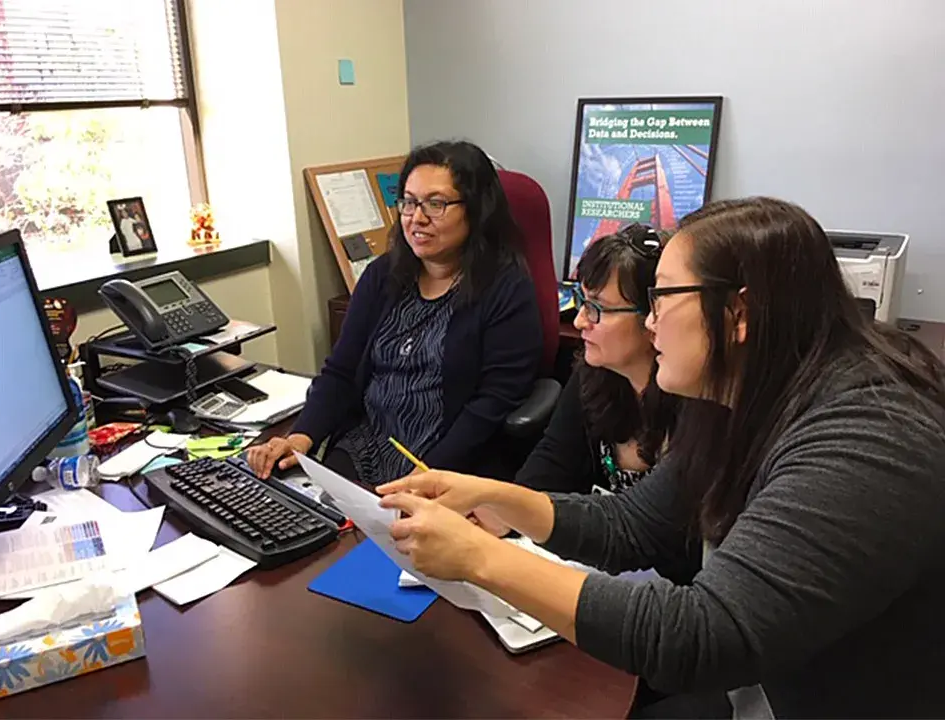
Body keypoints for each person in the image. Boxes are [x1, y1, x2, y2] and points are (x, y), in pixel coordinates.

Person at [377, 197, 945, 718]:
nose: (650, 322)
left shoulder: (869, 434)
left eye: (662, 298)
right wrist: (491, 495)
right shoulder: (738, 392)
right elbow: (632, 525)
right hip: (762, 690)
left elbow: (707, 636)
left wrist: (480, 559)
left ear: (738, 314)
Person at [248, 141, 542, 486]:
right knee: (300, 514)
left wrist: (427, 475)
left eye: (436, 204)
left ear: (476, 210)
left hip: (447, 461)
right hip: (365, 446)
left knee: (382, 536)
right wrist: (300, 438)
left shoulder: (506, 289)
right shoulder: (383, 276)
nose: (417, 218)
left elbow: (491, 404)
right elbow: (341, 372)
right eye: (409, 202)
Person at [515, 224, 678, 496]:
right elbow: (550, 465)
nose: (580, 320)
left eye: (597, 308)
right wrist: (501, 507)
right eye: (582, 301)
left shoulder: (694, 399)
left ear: (652, 317)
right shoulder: (593, 372)